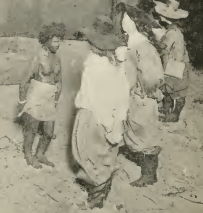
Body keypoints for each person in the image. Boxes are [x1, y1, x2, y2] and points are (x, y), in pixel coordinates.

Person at [72, 15, 130, 210]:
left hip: (96, 116)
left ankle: (96, 197)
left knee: (91, 154)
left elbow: (101, 97)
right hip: (106, 115)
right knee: (101, 154)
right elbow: (122, 95)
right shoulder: (114, 63)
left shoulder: (97, 66)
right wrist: (117, 120)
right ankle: (96, 185)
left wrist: (107, 122)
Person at [116, 8, 165, 187]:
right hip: (135, 96)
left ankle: (150, 174)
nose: (123, 21)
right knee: (135, 128)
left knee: (144, 132)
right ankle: (136, 154)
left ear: (135, 22)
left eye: (126, 19)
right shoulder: (134, 43)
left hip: (143, 97)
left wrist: (144, 91)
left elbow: (152, 76)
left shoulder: (141, 46)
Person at [17, 22, 65, 169]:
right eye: (56, 41)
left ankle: (40, 154)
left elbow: (59, 80)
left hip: (50, 97)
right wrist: (22, 101)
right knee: (32, 129)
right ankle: (28, 155)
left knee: (49, 132)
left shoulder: (57, 58)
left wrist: (56, 99)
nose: (58, 44)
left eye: (60, 41)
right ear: (47, 39)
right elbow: (24, 81)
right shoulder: (38, 57)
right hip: (37, 95)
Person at [151, 0, 190, 123]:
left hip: (175, 65)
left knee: (177, 91)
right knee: (171, 89)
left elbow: (163, 48)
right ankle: (168, 110)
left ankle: (174, 114)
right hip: (177, 63)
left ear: (164, 18)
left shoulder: (171, 33)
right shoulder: (174, 30)